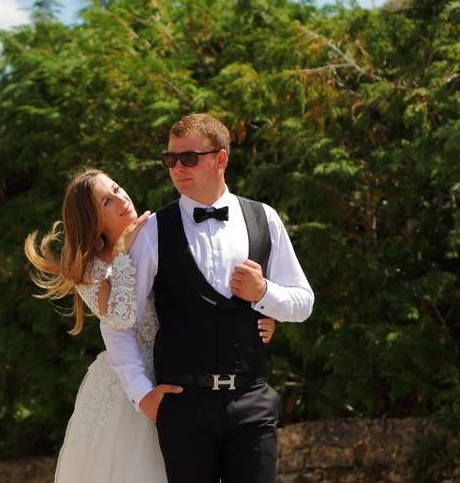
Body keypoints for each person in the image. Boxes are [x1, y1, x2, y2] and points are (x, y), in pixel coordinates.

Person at [25, 169, 277, 482]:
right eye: (106, 201)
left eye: (117, 188)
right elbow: (120, 318)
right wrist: (121, 255)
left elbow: (206, 287)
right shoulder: (89, 268)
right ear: (92, 220)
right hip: (130, 385)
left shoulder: (158, 230)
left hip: (184, 370)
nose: (121, 199)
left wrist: (261, 309)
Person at [102, 114, 315, 483]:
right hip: (183, 407)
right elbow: (120, 322)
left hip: (252, 400)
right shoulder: (153, 231)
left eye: (189, 158)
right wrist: (143, 395)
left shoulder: (265, 218)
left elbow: (303, 302)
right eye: (171, 160)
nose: (178, 168)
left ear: (221, 159)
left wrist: (263, 293)